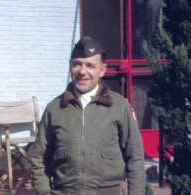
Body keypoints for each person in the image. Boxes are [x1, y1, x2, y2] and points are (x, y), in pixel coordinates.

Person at [31, 36, 146, 195]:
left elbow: (136, 159)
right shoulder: (54, 109)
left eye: (90, 66)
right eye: (76, 64)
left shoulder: (119, 107)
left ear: (102, 70)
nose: (82, 72)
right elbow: (40, 159)